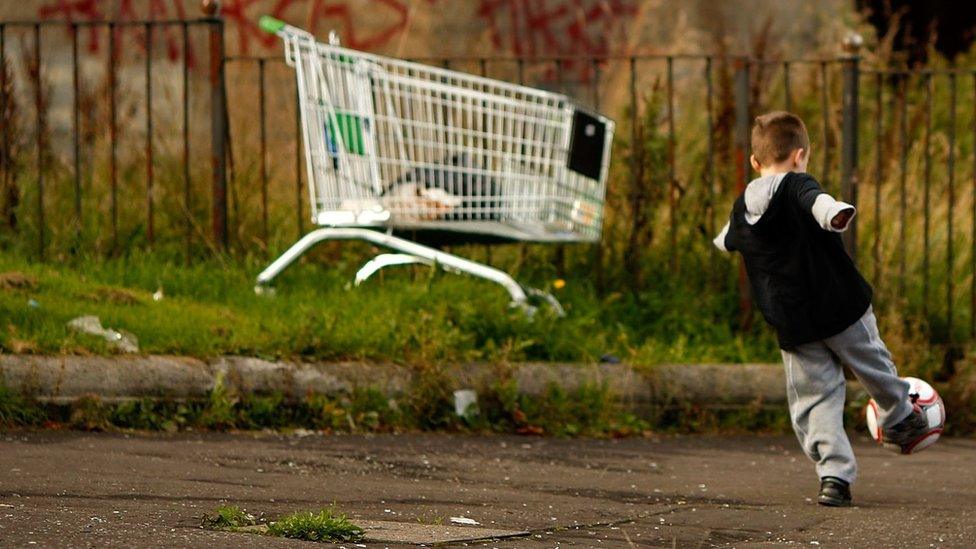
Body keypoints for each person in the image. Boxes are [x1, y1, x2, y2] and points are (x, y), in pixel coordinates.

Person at [712, 111, 930, 507]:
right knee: (872, 363)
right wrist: (836, 213)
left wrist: (727, 241)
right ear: (800, 155)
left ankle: (834, 477)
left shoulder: (743, 203)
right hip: (840, 306)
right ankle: (899, 416)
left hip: (792, 321)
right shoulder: (798, 185)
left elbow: (729, 238)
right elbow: (819, 204)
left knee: (816, 399)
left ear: (755, 163)